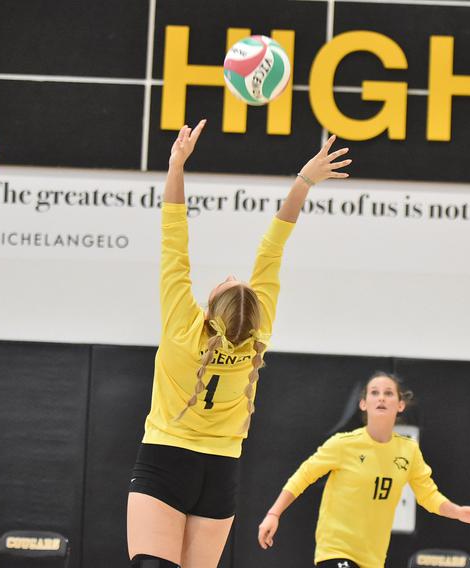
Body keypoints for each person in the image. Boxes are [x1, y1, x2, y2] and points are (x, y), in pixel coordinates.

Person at [126, 120, 352, 568]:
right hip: (221, 471)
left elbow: (175, 238)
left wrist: (176, 165)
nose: (232, 275)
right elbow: (274, 246)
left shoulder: (182, 329)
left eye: (227, 281)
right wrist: (304, 181)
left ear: (211, 311)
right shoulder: (258, 336)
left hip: (165, 458)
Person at [257, 372, 470, 568]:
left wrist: (458, 512)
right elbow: (303, 476)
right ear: (363, 403)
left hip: (373, 559)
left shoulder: (408, 451)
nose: (381, 397)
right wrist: (273, 514)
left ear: (400, 404)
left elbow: (429, 495)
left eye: (388, 393)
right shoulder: (343, 444)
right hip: (336, 549)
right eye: (374, 392)